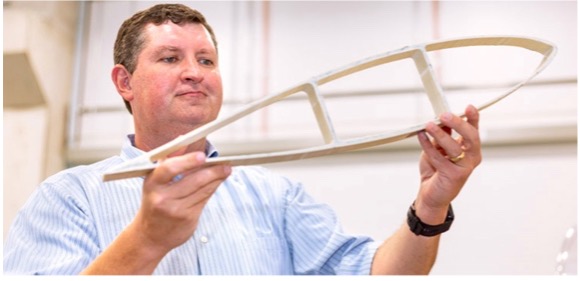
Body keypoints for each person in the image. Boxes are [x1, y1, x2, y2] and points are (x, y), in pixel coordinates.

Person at [3, 3, 482, 275]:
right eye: (170, 59)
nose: (194, 74)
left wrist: (431, 207)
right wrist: (145, 241)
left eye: (206, 61)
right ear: (124, 82)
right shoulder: (70, 198)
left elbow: (379, 275)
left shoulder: (274, 196)